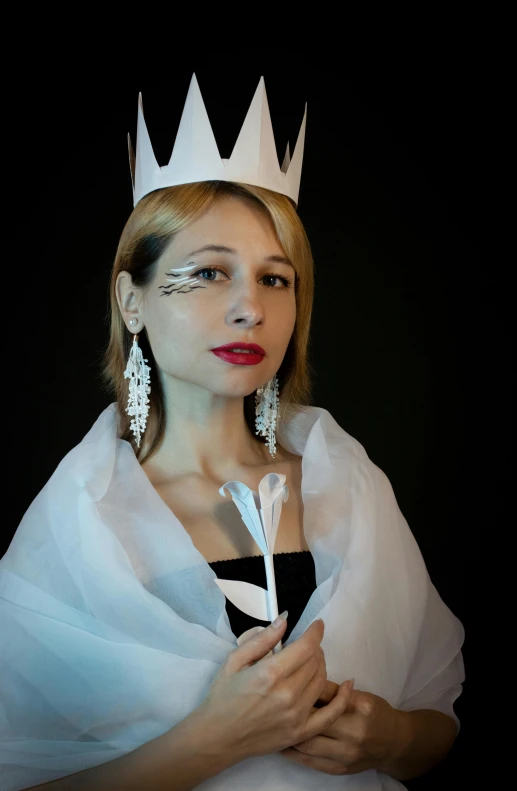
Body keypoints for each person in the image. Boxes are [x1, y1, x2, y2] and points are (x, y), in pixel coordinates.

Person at [0, 75, 464, 791]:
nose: (250, 306)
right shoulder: (82, 525)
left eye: (276, 279)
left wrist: (391, 734)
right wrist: (210, 742)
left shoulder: (348, 485)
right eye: (209, 272)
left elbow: (436, 723)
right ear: (133, 300)